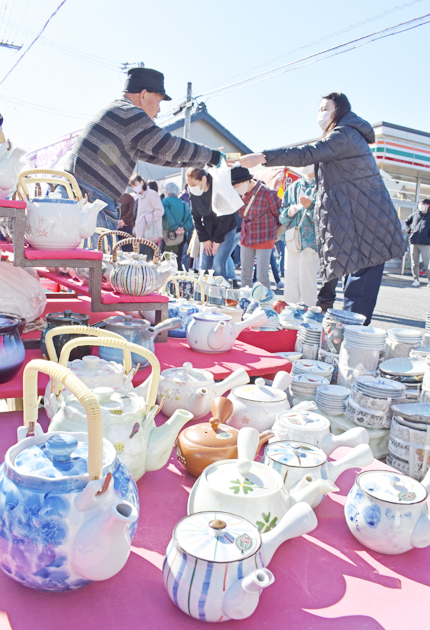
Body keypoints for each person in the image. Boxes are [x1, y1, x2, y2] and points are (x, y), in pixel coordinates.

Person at [239, 92, 405, 325]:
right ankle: (347, 340)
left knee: (357, 294)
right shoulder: (348, 135)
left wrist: (264, 157)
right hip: (362, 222)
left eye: (325, 108)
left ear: (340, 110)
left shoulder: (344, 134)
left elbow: (307, 153)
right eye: (318, 109)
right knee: (354, 288)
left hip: (368, 225)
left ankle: (352, 346)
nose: (320, 114)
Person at [64, 67, 224, 247]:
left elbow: (161, 156)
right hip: (87, 199)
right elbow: (169, 146)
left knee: (78, 267)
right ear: (143, 95)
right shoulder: (129, 114)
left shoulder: (119, 112)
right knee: (89, 270)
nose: (159, 110)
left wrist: (204, 160)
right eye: (158, 101)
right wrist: (211, 155)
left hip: (81, 196)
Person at [231, 166, 281, 289]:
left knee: (262, 276)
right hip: (246, 237)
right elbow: (242, 214)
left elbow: (280, 215)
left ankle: (265, 305)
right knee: (245, 275)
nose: (236, 188)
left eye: (237, 185)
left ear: (248, 180)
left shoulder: (268, 193)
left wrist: (276, 234)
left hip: (265, 237)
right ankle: (245, 302)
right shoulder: (239, 195)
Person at [186, 168, 237, 279]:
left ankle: (220, 292)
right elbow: (196, 218)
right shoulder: (194, 193)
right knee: (204, 265)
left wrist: (217, 240)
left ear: (203, 179)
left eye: (193, 184)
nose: (191, 187)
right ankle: (203, 292)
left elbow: (226, 217)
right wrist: (204, 239)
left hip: (226, 229)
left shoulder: (218, 188)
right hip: (208, 231)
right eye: (189, 185)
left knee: (218, 262)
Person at [280, 165, 318, 305]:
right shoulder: (293, 187)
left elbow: (327, 218)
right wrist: (288, 213)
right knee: (290, 278)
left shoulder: (323, 186)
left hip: (311, 240)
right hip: (292, 239)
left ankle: (309, 313)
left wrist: (311, 208)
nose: (303, 165)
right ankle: (290, 312)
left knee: (307, 280)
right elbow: (282, 216)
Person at [161, 182, 193, 270]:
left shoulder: (164, 201)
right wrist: (183, 228)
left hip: (167, 236)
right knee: (179, 261)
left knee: (165, 261)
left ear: (167, 191)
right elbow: (189, 220)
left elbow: (167, 216)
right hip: (181, 237)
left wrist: (175, 228)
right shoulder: (184, 204)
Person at [131, 174, 164, 259]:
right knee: (142, 261)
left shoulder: (151, 194)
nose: (134, 187)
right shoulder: (140, 196)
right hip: (142, 234)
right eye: (133, 186)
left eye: (136, 185)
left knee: (148, 261)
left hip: (149, 233)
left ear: (141, 182)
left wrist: (148, 218)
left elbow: (160, 210)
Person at [405, 199, 430, 287]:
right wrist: (409, 231)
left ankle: (429, 280)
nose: (420, 205)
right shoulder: (415, 215)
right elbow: (406, 222)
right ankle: (416, 279)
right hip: (414, 242)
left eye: (422, 204)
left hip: (426, 243)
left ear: (428, 206)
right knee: (414, 262)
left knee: (427, 263)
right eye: (420, 204)